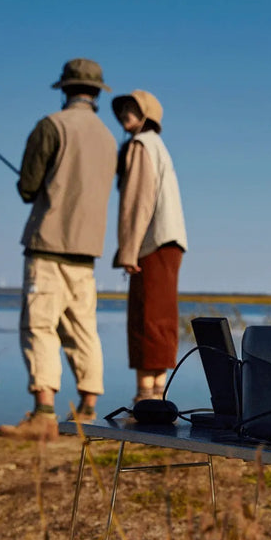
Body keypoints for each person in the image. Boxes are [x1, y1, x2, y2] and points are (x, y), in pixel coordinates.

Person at [0, 58, 117, 440]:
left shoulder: (51, 126)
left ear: (65, 89)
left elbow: (28, 187)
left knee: (40, 326)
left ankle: (44, 414)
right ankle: (88, 411)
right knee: (84, 329)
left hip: (48, 244)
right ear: (96, 94)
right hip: (88, 251)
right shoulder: (109, 138)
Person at [111, 90, 187, 404]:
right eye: (123, 109)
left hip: (153, 242)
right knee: (160, 316)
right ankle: (156, 394)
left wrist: (128, 250)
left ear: (146, 115)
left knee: (147, 318)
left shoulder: (142, 145)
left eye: (133, 109)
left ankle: (146, 397)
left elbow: (137, 202)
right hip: (168, 240)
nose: (125, 114)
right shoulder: (158, 146)